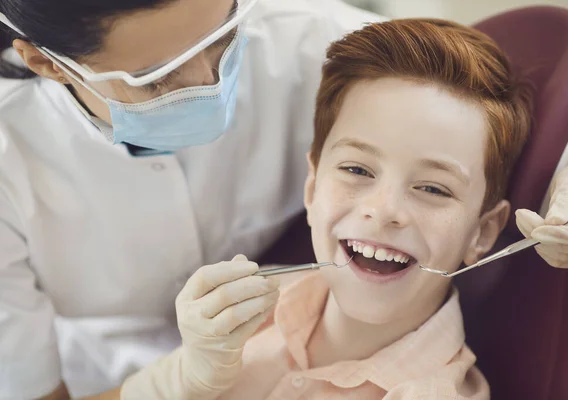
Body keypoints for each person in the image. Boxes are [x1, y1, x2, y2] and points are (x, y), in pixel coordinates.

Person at [0, 0, 568, 399]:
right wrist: (179, 381)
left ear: (485, 232)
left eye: (222, 41)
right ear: (45, 65)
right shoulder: (11, 160)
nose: (210, 84)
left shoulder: (306, 39)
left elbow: (474, 80)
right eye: (158, 79)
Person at [160, 17, 532, 400]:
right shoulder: (254, 304)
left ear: (483, 232)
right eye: (357, 169)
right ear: (312, 186)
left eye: (433, 188)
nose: (384, 210)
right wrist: (177, 380)